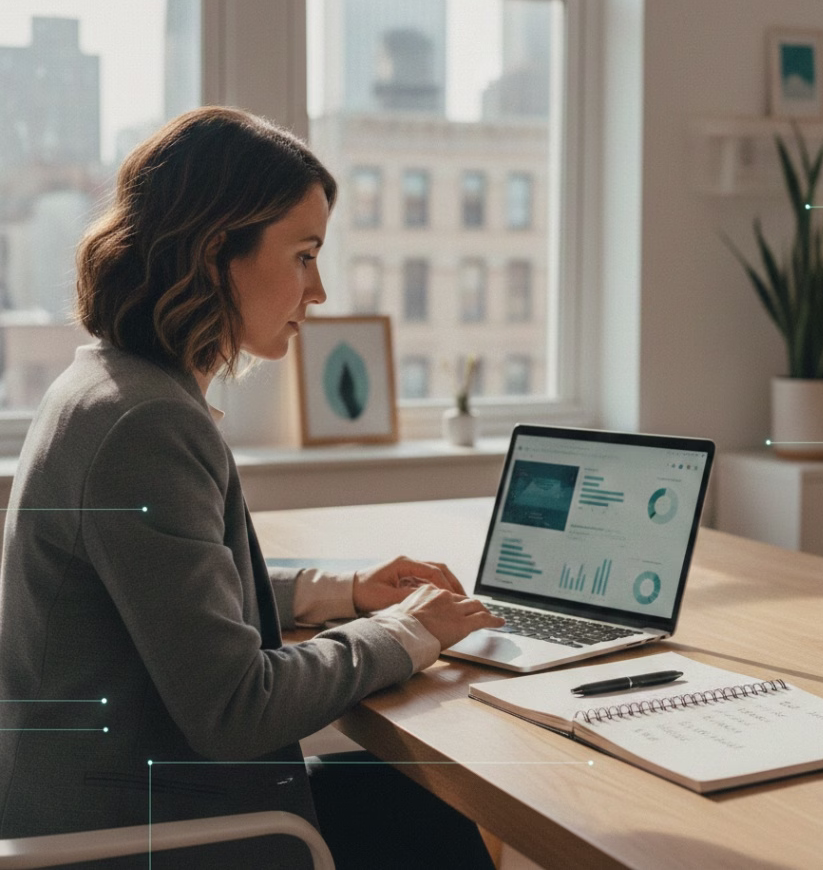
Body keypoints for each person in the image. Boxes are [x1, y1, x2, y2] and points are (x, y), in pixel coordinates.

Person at [0, 106, 504, 869]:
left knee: (420, 796)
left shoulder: (105, 384)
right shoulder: (147, 423)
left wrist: (343, 592)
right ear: (214, 254)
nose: (320, 289)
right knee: (432, 811)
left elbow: (175, 586)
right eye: (303, 255)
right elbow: (237, 709)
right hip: (132, 838)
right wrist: (409, 632)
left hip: (101, 800)